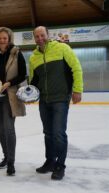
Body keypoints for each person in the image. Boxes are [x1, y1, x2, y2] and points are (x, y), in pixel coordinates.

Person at [29, 26, 83, 180]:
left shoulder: (62, 48)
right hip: (44, 100)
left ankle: (60, 164)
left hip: (60, 98)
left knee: (58, 133)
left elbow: (76, 68)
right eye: (37, 36)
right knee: (48, 133)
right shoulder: (33, 57)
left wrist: (77, 90)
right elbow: (33, 80)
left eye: (42, 35)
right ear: (34, 38)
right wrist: (30, 95)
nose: (40, 38)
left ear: (48, 35)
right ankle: (50, 161)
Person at [0, 27, 27, 176]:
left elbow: (22, 74)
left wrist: (9, 83)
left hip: (10, 96)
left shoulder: (16, 53)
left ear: (9, 39)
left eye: (4, 38)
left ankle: (11, 163)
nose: (2, 40)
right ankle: (6, 156)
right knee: (1, 130)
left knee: (9, 129)